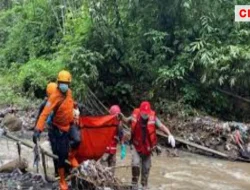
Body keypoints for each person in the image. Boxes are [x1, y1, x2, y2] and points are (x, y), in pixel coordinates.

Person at [33, 70, 76, 190]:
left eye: (65, 83)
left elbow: (70, 104)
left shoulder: (69, 93)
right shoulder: (52, 98)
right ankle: (61, 178)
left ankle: (69, 165)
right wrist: (38, 129)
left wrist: (76, 108)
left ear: (69, 84)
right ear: (58, 83)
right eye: (61, 83)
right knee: (60, 154)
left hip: (69, 126)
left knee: (76, 141)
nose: (63, 85)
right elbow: (44, 114)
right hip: (57, 129)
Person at [119, 101, 175, 190]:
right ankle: (134, 184)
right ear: (140, 111)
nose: (145, 114)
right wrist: (121, 117)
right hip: (136, 146)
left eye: (146, 113)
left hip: (148, 148)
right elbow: (126, 120)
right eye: (143, 113)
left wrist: (169, 134)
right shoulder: (135, 116)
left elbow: (162, 126)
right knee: (135, 164)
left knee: (146, 168)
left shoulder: (153, 118)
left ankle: (144, 186)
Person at [100, 105, 125, 175]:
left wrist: (123, 147)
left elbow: (121, 136)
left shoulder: (119, 124)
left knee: (111, 172)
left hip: (112, 151)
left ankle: (109, 183)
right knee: (103, 172)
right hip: (105, 151)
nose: (117, 118)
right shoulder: (106, 123)